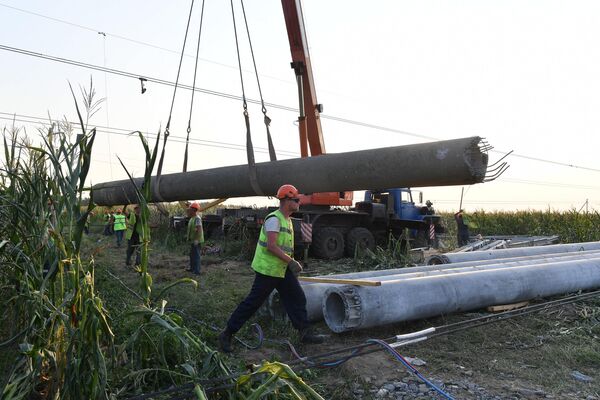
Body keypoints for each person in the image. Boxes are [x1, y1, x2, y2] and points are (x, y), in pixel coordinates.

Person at [218, 184, 325, 353]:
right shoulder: (274, 219)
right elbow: (272, 246)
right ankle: (227, 333)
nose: (299, 203)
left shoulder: (287, 220)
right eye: (296, 200)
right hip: (268, 271)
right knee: (252, 303)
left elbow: (285, 247)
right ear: (287, 200)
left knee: (297, 298)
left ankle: (304, 332)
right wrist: (291, 262)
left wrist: (291, 263)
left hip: (281, 270)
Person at [186, 202, 204, 275]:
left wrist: (196, 239)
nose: (188, 211)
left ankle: (197, 271)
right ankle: (192, 268)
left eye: (190, 209)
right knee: (192, 255)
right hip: (193, 240)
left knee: (196, 255)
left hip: (197, 241)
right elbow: (192, 229)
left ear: (194, 210)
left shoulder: (197, 219)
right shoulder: (192, 218)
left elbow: (199, 229)